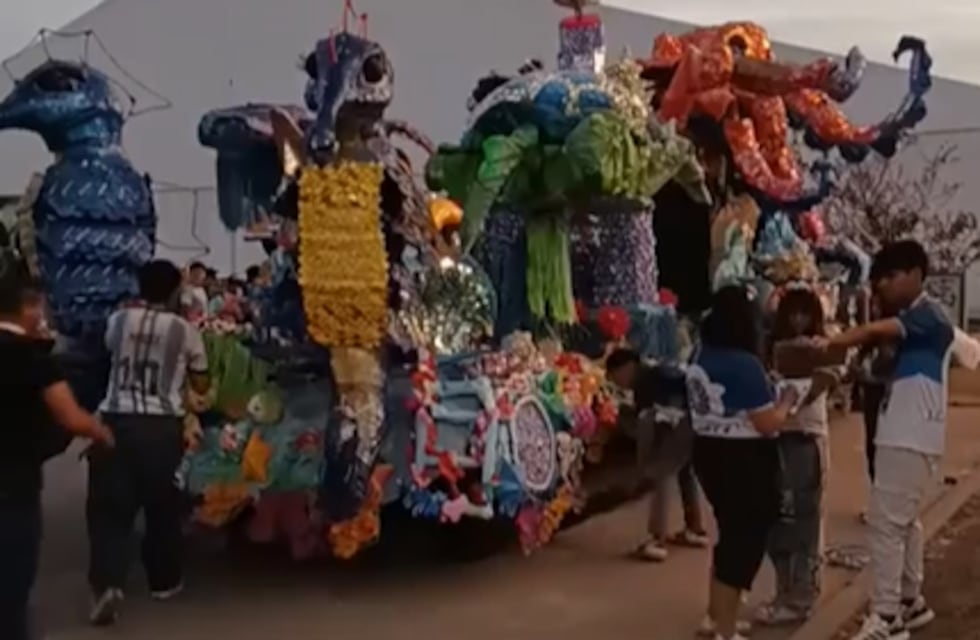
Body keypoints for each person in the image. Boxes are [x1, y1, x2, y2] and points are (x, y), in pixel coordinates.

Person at [815, 240, 947, 640]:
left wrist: (835, 341)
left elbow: (876, 329)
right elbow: (877, 367)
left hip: (909, 433)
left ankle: (886, 615)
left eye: (888, 278)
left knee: (886, 526)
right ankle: (910, 600)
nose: (883, 288)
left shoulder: (929, 315)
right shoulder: (912, 326)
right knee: (903, 522)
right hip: (907, 431)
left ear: (913, 273)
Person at [88, 259, 210, 626]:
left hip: (116, 422)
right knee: (162, 508)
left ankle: (108, 582)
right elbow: (201, 382)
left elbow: (107, 354)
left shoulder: (118, 321)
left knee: (110, 509)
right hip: (161, 428)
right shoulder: (185, 331)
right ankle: (163, 581)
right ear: (176, 290)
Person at [0, 266, 113, 640]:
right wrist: (100, 431)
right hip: (14, 485)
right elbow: (71, 417)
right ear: (27, 308)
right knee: (12, 581)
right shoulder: (35, 359)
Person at [686, 285, 797, 640]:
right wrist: (787, 401)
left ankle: (714, 616)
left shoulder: (699, 355)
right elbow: (767, 425)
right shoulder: (744, 364)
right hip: (745, 460)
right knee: (744, 544)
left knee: (729, 536)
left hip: (707, 452)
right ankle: (725, 630)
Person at [756, 287, 837, 626]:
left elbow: (831, 378)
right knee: (777, 521)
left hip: (806, 437)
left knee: (805, 519)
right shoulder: (769, 347)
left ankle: (802, 595)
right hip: (776, 438)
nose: (798, 320)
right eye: (793, 313)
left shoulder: (826, 344)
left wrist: (800, 388)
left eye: (805, 313)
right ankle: (784, 590)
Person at [606, 348, 709, 563]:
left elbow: (649, 420)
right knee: (684, 473)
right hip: (694, 423)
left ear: (627, 367)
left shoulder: (649, 380)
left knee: (661, 475)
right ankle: (695, 528)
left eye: (616, 377)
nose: (618, 383)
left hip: (677, 425)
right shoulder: (657, 371)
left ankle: (657, 539)